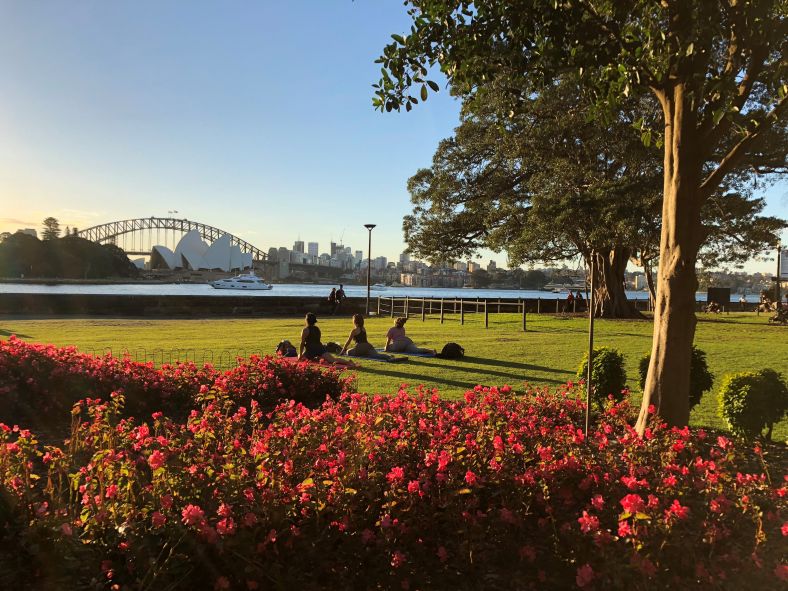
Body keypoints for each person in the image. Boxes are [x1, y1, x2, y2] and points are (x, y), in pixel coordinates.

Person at [341, 314, 406, 361]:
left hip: (359, 347)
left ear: (355, 321)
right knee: (377, 355)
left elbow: (348, 341)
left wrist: (343, 350)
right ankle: (389, 356)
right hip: (368, 345)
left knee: (348, 352)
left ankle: (389, 357)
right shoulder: (363, 328)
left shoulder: (354, 330)